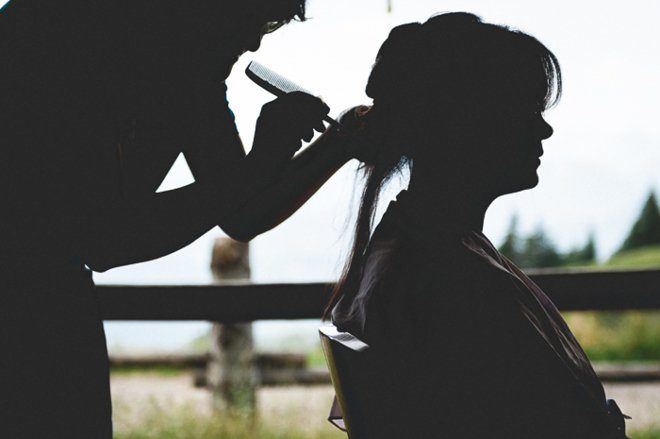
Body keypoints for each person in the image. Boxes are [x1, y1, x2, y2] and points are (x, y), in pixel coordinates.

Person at [0, 0, 363, 436]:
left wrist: (342, 140)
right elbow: (102, 237)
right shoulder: (59, 33)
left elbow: (240, 211)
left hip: (54, 299)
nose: (252, 41)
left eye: (265, 23)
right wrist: (264, 160)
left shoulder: (189, 70)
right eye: (248, 17)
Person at [326, 12, 629, 438]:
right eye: (525, 110)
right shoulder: (454, 280)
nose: (544, 129)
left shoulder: (417, 246)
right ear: (466, 122)